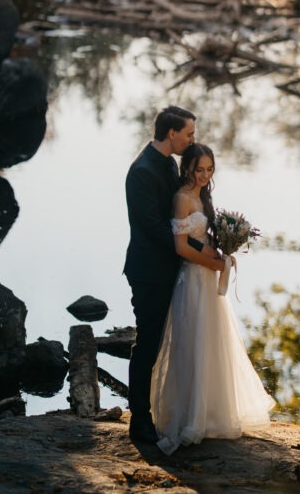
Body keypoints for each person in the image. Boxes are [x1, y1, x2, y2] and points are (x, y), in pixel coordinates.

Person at [151, 143, 275, 455]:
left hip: (207, 279)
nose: (205, 175)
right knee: (194, 342)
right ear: (188, 168)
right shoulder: (181, 199)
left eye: (209, 170)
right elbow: (182, 247)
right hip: (193, 280)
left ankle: (213, 413)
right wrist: (217, 263)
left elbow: (202, 240)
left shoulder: (202, 197)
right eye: (199, 169)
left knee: (213, 341)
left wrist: (223, 252)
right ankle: (192, 416)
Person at [123, 107, 224, 444]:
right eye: (189, 134)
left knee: (175, 342)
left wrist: (206, 245)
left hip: (176, 271)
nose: (192, 140)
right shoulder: (141, 172)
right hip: (149, 271)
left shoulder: (167, 163)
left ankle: (177, 408)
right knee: (148, 343)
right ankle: (139, 419)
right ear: (172, 133)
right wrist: (195, 250)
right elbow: (152, 227)